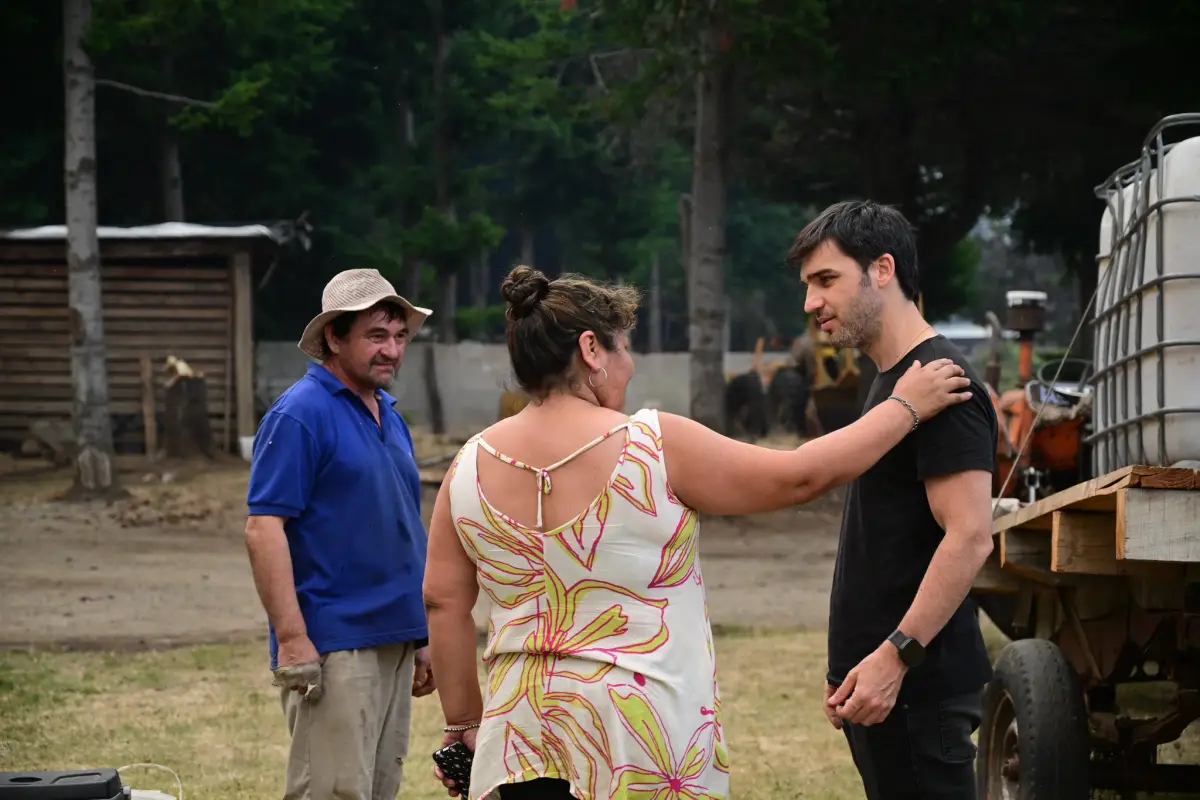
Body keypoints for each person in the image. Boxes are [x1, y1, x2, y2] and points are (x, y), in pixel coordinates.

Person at [422, 265, 975, 800]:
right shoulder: (650, 443)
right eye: (624, 348)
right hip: (641, 737)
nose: (630, 367)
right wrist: (905, 406)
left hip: (521, 736)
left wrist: (463, 723)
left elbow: (443, 602)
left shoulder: (467, 466)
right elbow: (799, 475)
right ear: (591, 350)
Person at [787, 200, 998, 800]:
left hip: (915, 691)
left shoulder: (941, 382)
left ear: (882, 270)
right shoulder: (899, 384)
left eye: (826, 280)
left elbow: (969, 536)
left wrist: (895, 658)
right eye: (807, 286)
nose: (811, 303)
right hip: (882, 690)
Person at [244, 268, 438, 800]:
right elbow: (264, 530)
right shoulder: (300, 414)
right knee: (331, 793)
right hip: (335, 644)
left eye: (399, 337)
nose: (393, 351)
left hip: (394, 636)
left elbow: (401, 527)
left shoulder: (390, 415)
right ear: (334, 337)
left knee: (377, 790)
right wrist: (292, 638)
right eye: (376, 336)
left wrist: (422, 633)